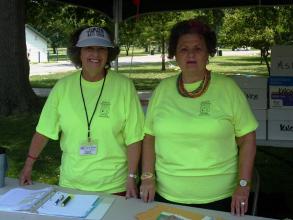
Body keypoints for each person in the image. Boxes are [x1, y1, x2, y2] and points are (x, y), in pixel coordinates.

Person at [140, 19, 258, 216]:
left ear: (208, 53)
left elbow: (247, 139)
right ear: (175, 55)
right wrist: (147, 177)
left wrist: (243, 186)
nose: (191, 54)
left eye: (198, 48)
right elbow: (150, 137)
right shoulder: (162, 90)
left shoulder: (228, 89)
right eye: (184, 49)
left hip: (220, 198)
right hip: (166, 195)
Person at [20, 26, 144, 198]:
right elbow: (43, 131)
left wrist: (132, 176)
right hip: (71, 185)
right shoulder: (63, 87)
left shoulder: (124, 86)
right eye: (89, 48)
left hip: (115, 185)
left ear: (109, 53)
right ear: (79, 52)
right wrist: (28, 165)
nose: (96, 54)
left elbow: (134, 137)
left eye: (101, 48)